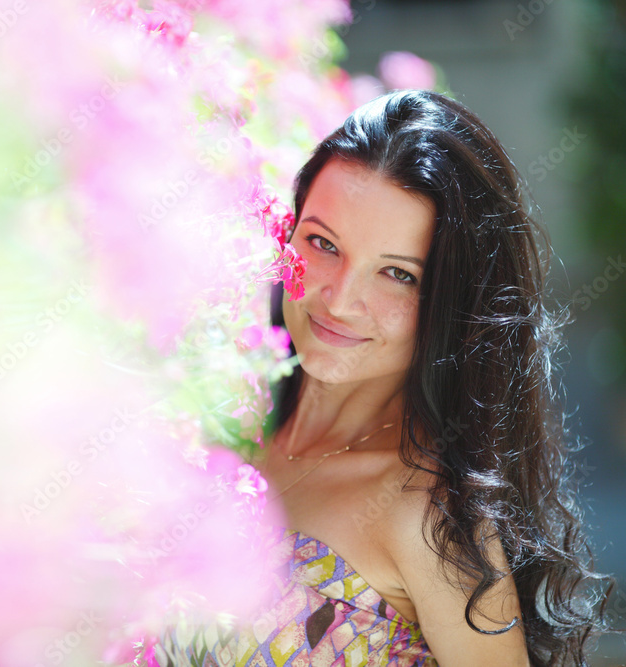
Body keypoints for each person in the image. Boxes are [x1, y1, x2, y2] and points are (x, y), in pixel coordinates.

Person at [154, 90, 615, 666]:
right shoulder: (217, 420)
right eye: (323, 243)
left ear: (453, 303)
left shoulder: (429, 514)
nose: (340, 301)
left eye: (397, 274)